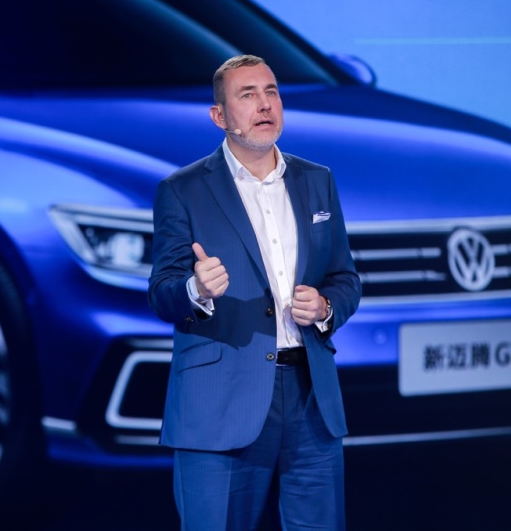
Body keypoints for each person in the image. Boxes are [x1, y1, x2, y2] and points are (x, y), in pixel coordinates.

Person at [148, 54, 362, 530]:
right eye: (248, 95)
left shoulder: (317, 180)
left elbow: (346, 278)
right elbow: (161, 292)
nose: (265, 104)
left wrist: (326, 307)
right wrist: (196, 289)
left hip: (311, 398)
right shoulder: (183, 190)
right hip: (220, 402)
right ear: (219, 116)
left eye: (272, 92)